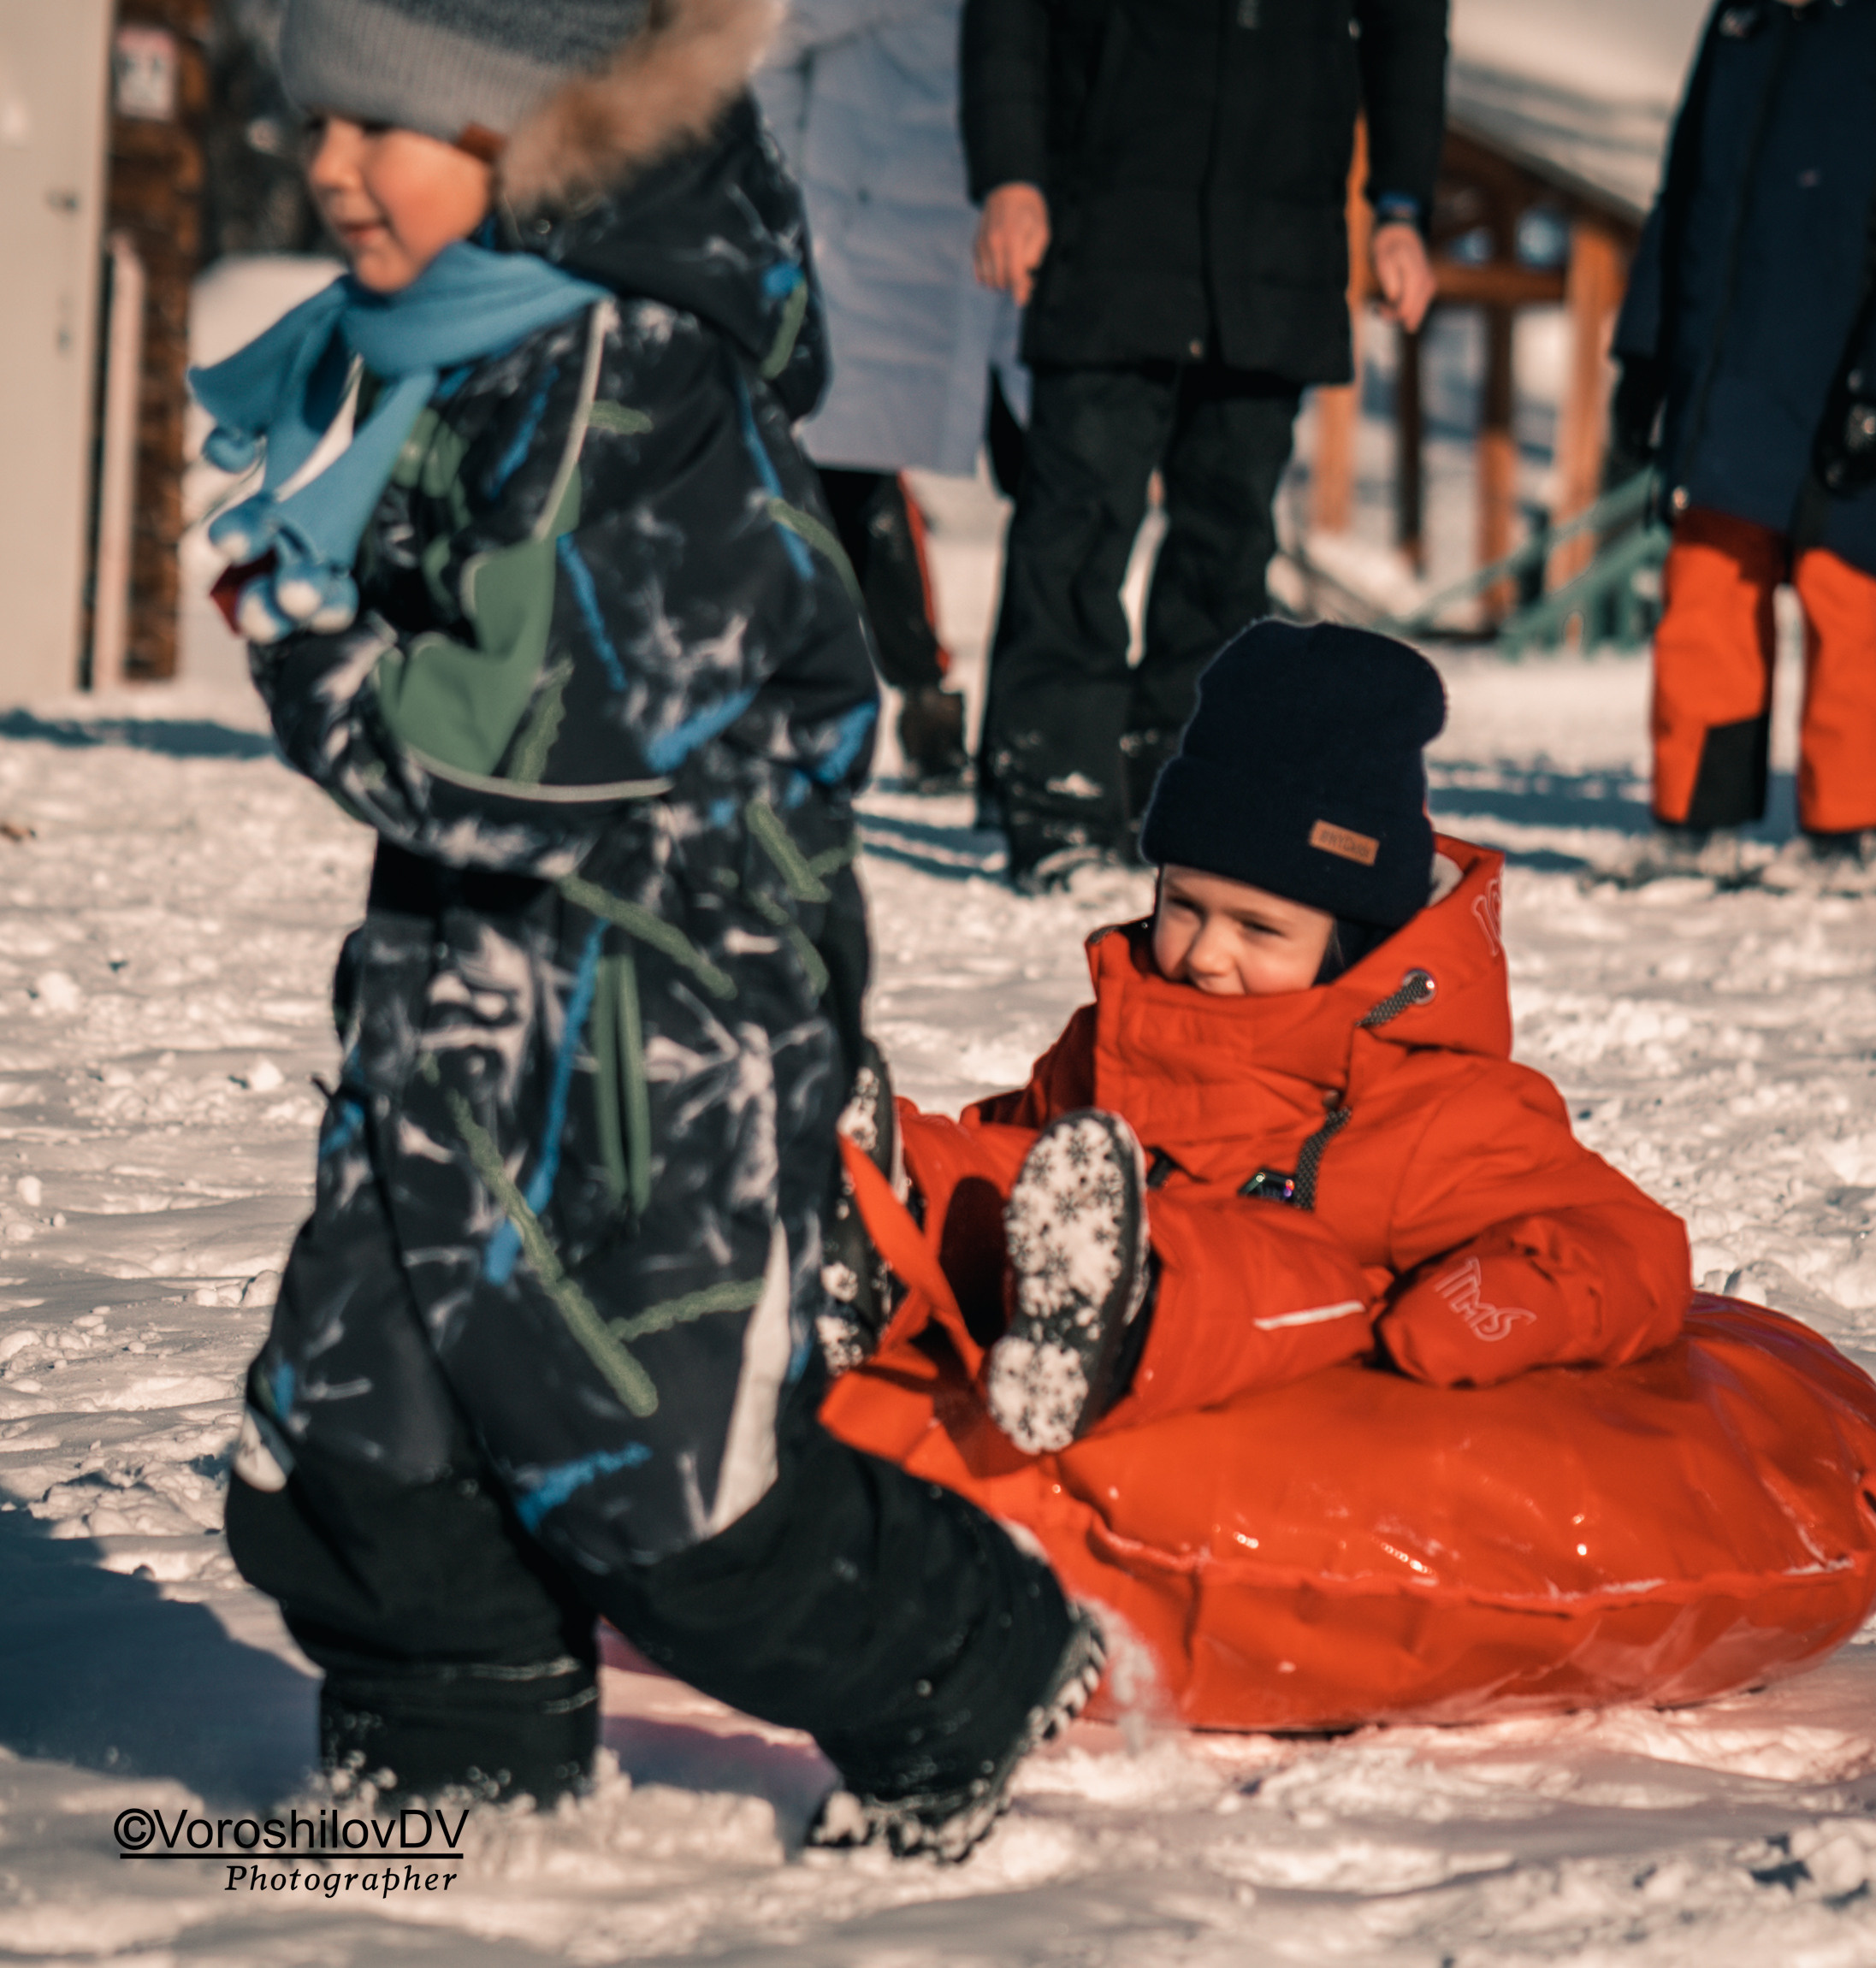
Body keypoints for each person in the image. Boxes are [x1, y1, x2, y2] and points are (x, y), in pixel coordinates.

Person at [204, 0, 1101, 1861]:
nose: (329, 163)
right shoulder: (480, 343)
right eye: (320, 118)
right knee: (357, 1434)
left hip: (651, 1045)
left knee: (660, 1488)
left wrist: (315, 653)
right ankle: (450, 1799)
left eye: (383, 117)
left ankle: (980, 1664)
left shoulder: (645, 384)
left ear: (534, 126)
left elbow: (527, 740)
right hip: (460, 1011)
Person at [848, 623, 1690, 1453]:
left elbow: (1630, 1244)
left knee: (1298, 1263)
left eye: (1258, 928)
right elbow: (1012, 1143)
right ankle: (872, 1215)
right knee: (990, 1168)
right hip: (1060, 1271)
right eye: (1184, 908)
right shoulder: (1122, 1030)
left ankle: (1130, 1306)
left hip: (1262, 1327)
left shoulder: (1433, 1109)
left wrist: (1486, 1302)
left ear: (1351, 942)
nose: (1208, 955)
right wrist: (940, 1171)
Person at [962, 0, 1448, 888]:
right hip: (1106, 209)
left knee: (1228, 544)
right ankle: (1057, 800)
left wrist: (1402, 204)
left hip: (1278, 232)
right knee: (1075, 527)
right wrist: (1009, 174)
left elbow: (1407, 25)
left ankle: (1181, 790)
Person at [1613, 0, 1876, 874]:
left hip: (1847, 371)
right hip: (1727, 373)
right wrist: (1645, 357)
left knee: (1852, 600)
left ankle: (1850, 831)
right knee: (1707, 592)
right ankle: (1695, 821)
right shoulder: (1739, 26)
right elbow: (1682, 189)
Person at [756, 0, 999, 789]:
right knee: (851, 468)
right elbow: (771, 42)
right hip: (865, 229)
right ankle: (918, 692)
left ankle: (939, 697)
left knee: (865, 470)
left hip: (945, 222)